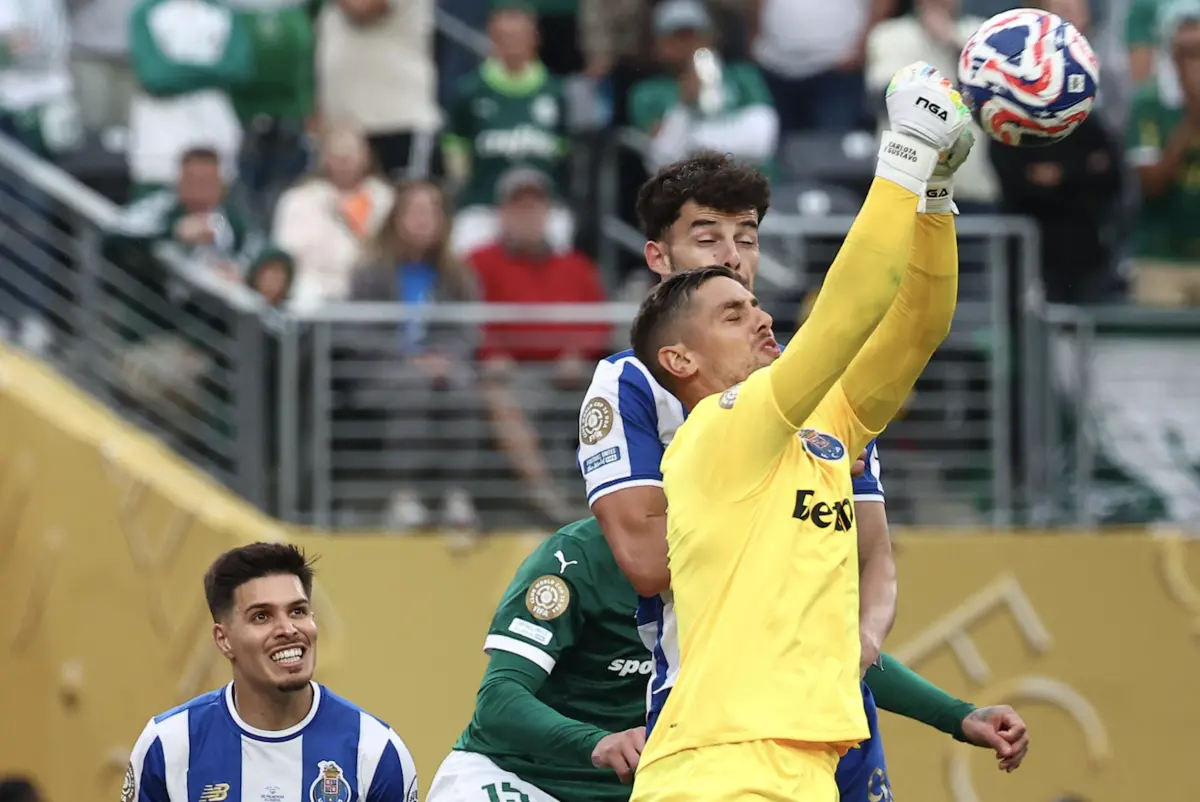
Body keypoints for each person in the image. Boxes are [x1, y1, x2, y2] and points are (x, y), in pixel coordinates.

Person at [579, 142, 1026, 802]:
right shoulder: (720, 426)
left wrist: (935, 198)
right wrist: (901, 157)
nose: (759, 315)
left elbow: (917, 328)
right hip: (722, 766)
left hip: (808, 758)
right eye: (731, 316)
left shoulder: (822, 427)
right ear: (679, 360)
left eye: (753, 304)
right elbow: (850, 311)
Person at [123, 542, 418, 802]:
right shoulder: (168, 746)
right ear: (223, 639)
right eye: (262, 616)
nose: (288, 630)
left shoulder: (375, 751)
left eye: (298, 611)